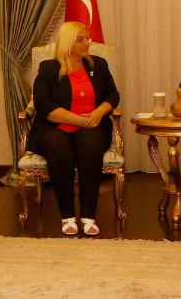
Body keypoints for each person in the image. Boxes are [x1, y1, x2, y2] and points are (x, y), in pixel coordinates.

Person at [27, 21, 120, 236]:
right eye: (81, 39)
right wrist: (78, 120)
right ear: (68, 43)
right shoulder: (49, 69)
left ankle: (88, 216)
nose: (87, 42)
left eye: (87, 38)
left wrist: (98, 113)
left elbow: (113, 95)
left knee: (90, 147)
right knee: (59, 149)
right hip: (55, 126)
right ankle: (67, 216)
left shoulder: (98, 65)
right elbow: (43, 104)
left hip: (93, 125)